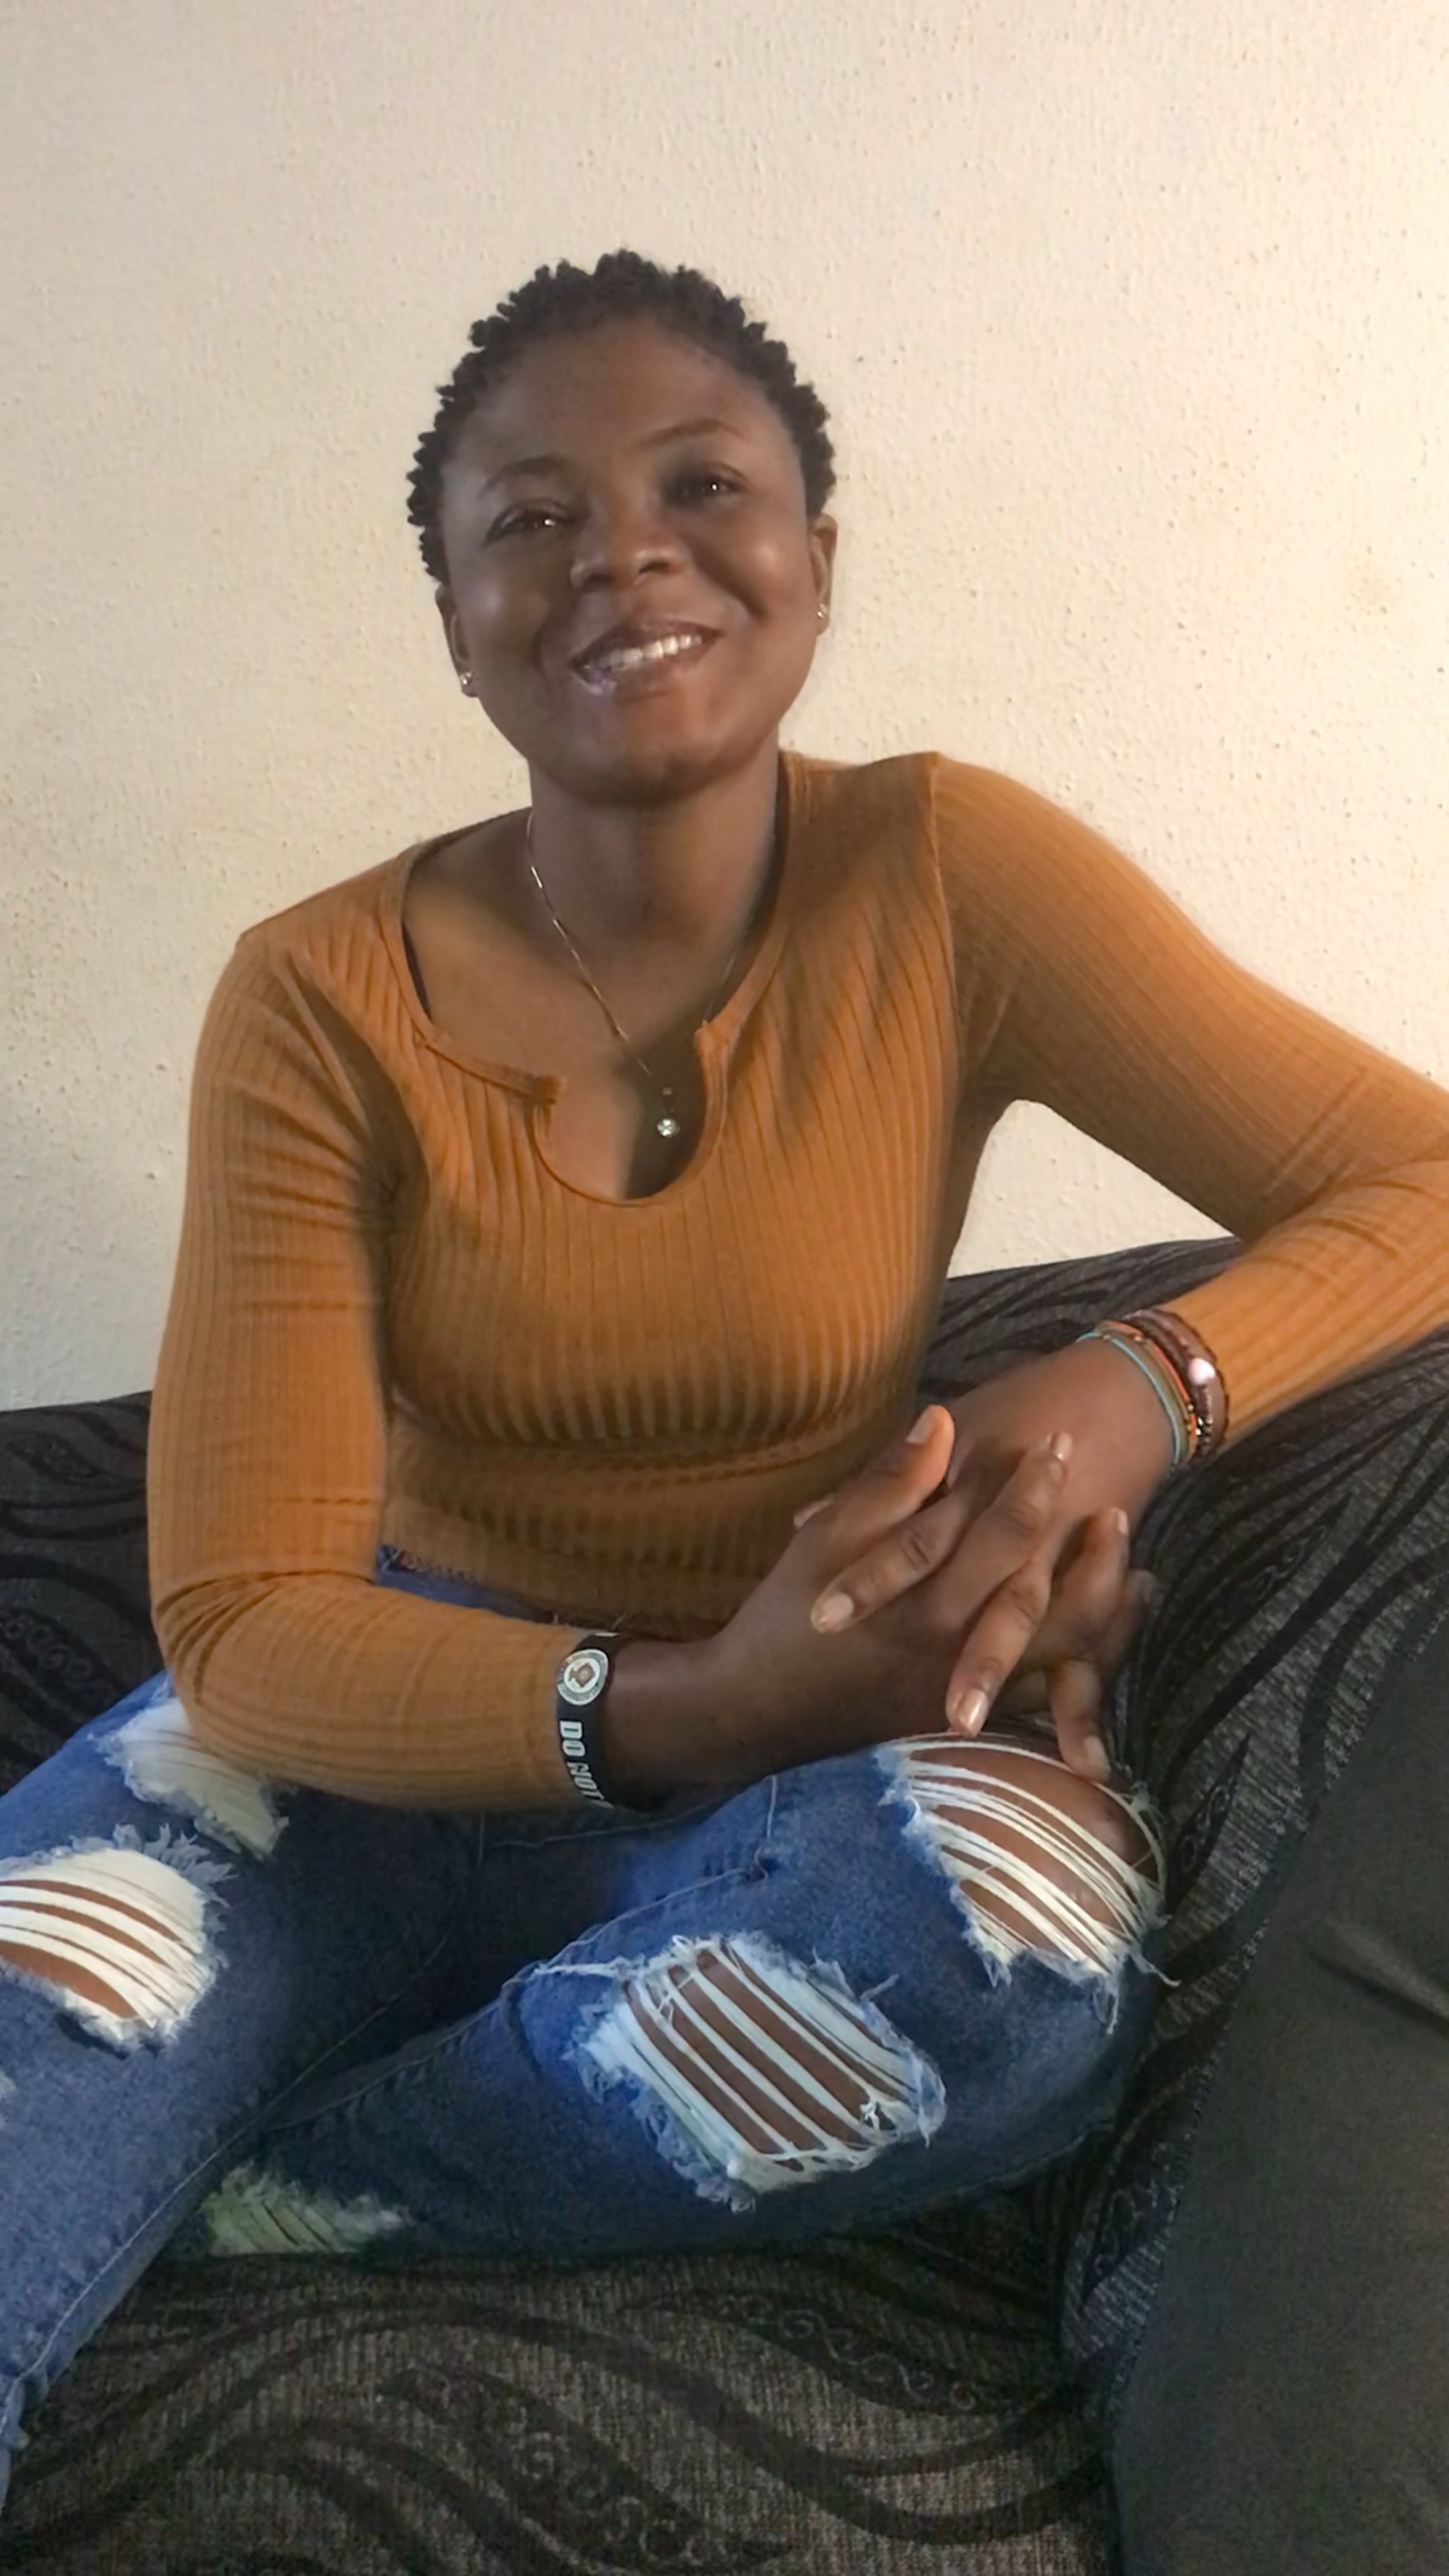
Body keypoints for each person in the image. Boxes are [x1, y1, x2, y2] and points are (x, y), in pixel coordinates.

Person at [1, 251, 1447, 2565]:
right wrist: (691, 1694)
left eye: (701, 487)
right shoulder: (317, 997)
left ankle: (294, 2173)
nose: (624, 555)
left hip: (821, 1781)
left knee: (1017, 1950)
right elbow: (248, 1626)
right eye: (531, 519)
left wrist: (1134, 1385)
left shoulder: (948, 871)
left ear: (816, 556)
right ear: (455, 618)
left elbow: (1419, 1175)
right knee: (39, 2006)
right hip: (367, 1747)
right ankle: (183, 2122)